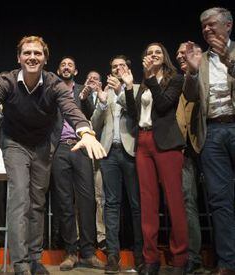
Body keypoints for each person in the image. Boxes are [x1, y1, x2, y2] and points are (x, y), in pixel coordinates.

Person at [0, 36, 106, 275]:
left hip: (42, 145)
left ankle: (34, 259)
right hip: (15, 144)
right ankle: (20, 264)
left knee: (37, 203)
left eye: (38, 53)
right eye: (27, 53)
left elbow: (70, 107)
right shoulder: (7, 80)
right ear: (19, 57)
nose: (32, 57)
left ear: (45, 59)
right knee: (20, 198)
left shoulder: (53, 83)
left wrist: (85, 131)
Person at [124, 42, 188, 275]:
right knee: (148, 203)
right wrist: (130, 88)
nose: (153, 55)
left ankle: (180, 259)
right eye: (149, 52)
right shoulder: (144, 83)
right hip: (144, 142)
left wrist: (150, 78)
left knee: (174, 201)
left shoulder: (176, 79)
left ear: (164, 57)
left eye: (157, 52)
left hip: (167, 144)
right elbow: (134, 114)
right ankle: (150, 259)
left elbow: (162, 105)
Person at [184, 7, 235, 274]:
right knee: (219, 200)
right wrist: (192, 73)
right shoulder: (200, 59)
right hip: (212, 133)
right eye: (203, 26)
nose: (206, 30)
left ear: (228, 25)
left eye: (212, 24)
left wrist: (229, 60)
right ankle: (228, 262)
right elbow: (191, 97)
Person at [91, 55, 143, 274]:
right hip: (109, 153)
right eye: (114, 67)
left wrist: (123, 91)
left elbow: (138, 116)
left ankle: (141, 254)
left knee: (136, 204)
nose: (117, 69)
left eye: (122, 65)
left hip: (131, 151)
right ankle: (113, 255)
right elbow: (94, 123)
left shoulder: (138, 89)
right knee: (111, 204)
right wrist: (102, 102)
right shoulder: (106, 93)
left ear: (128, 68)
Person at [51, 56, 103, 271]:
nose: (66, 67)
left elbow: (90, 114)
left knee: (87, 199)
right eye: (63, 65)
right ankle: (71, 252)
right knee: (64, 201)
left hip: (82, 146)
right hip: (59, 148)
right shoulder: (52, 90)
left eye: (70, 65)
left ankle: (89, 252)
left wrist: (84, 98)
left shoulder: (82, 89)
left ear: (76, 70)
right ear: (58, 69)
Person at [175, 42, 205, 274]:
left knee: (211, 202)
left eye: (185, 52)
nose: (181, 56)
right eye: (178, 55)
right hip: (181, 151)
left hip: (203, 145)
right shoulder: (176, 81)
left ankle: (197, 257)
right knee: (185, 203)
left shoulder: (203, 76)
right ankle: (189, 257)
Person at [84, 70, 107, 250]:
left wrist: (101, 98)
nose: (92, 80)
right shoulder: (79, 97)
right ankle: (81, 237)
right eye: (89, 78)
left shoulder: (105, 97)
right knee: (81, 198)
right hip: (82, 151)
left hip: (100, 151)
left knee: (100, 196)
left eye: (96, 78)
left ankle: (102, 236)